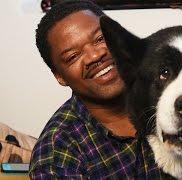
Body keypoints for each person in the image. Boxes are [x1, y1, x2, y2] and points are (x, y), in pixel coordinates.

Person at [29, 0, 166, 179]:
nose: (95, 55)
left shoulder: (170, 92)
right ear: (60, 77)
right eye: (73, 56)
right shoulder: (57, 155)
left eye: (100, 38)